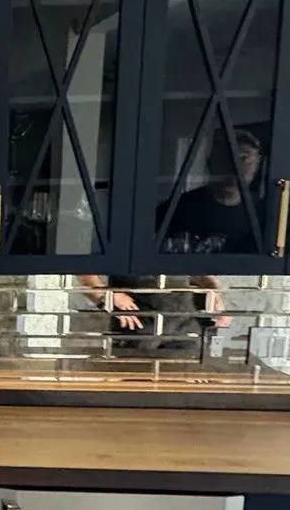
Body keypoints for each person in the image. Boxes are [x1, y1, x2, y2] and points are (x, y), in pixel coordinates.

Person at [82, 127, 266, 351]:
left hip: (187, 324)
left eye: (245, 158)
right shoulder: (172, 210)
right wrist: (106, 297)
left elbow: (192, 263)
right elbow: (82, 265)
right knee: (131, 382)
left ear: (257, 164)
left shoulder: (261, 213)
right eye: (229, 157)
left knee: (186, 381)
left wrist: (214, 295)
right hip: (138, 325)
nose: (237, 165)